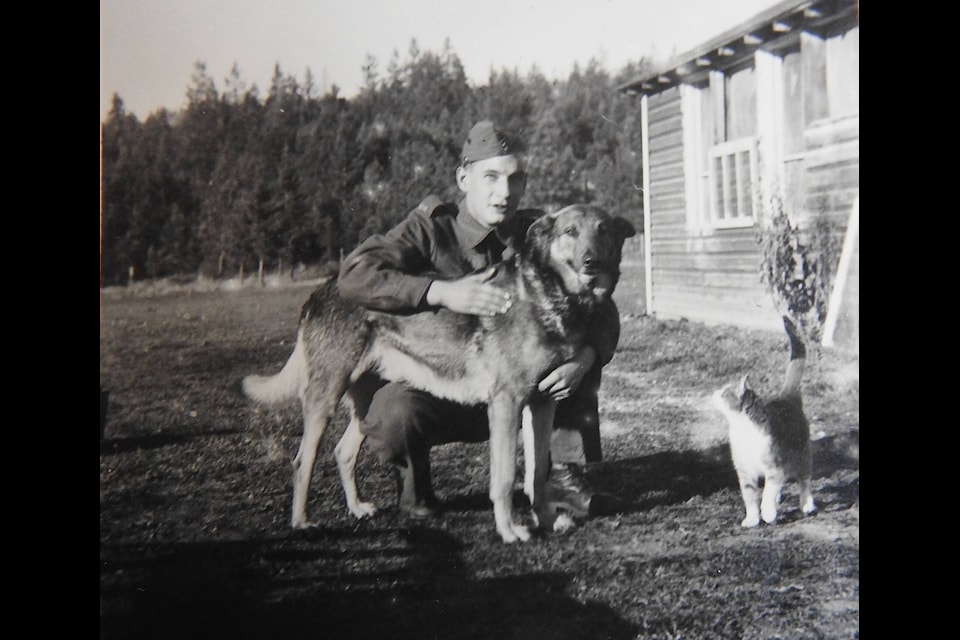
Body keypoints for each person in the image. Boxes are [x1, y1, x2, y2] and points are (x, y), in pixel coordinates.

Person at [337, 120, 620, 519]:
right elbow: (352, 276)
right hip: (442, 384)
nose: (504, 192)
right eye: (490, 177)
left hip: (521, 386)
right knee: (391, 411)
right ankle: (416, 490)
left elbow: (603, 310)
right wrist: (440, 291)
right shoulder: (429, 230)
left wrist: (586, 358)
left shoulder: (540, 233)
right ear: (463, 178)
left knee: (577, 359)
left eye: (515, 178)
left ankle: (563, 478)